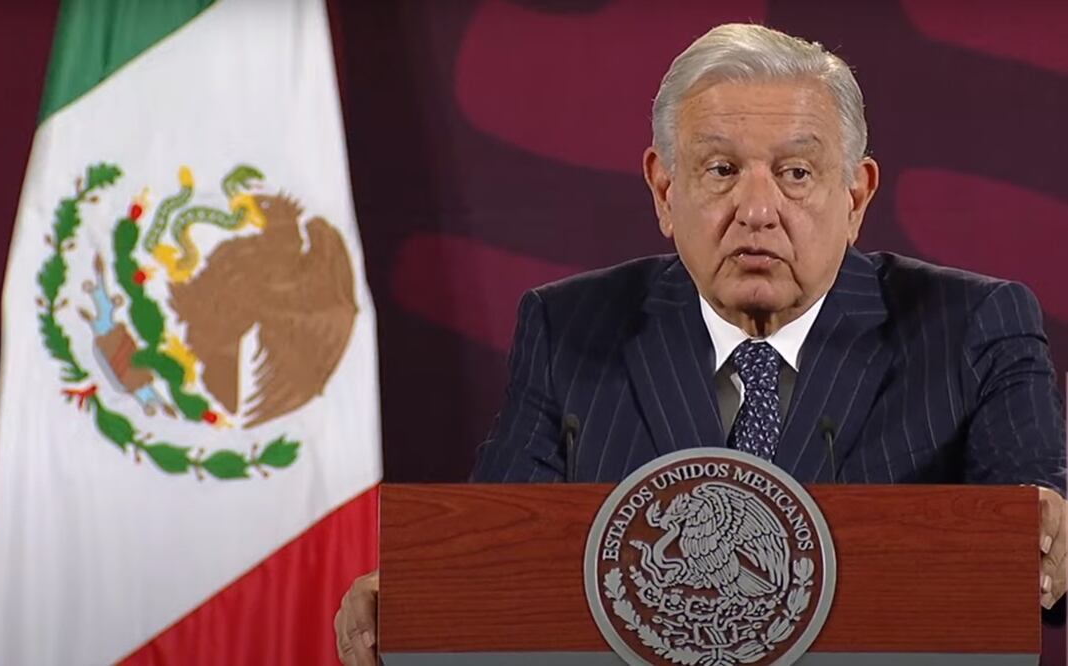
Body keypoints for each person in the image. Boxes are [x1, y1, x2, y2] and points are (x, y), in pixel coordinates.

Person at [334, 23, 1067, 665]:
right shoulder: (571, 328)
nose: (756, 210)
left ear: (855, 197)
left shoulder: (973, 326)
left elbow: (1038, 523)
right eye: (720, 170)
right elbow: (495, 562)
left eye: (796, 173)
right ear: (662, 189)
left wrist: (1054, 534)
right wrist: (418, 599)